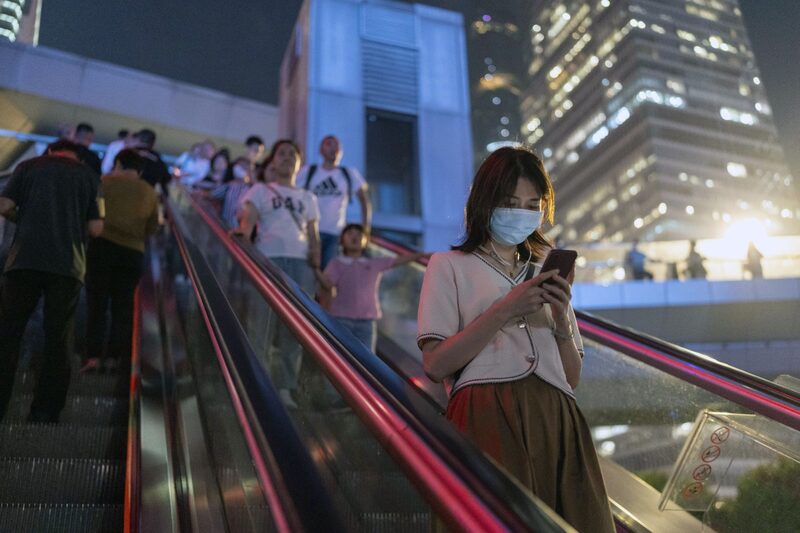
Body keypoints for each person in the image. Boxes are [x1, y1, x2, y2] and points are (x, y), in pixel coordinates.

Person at [416, 147, 614, 532]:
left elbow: (571, 376)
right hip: (486, 411)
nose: (522, 213)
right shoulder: (448, 266)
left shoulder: (546, 273)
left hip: (558, 416)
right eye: (510, 202)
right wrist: (505, 308)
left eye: (532, 204)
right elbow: (435, 363)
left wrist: (560, 319)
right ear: (485, 201)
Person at [0, 140, 104, 423]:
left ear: (50, 151)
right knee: (59, 338)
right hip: (67, 267)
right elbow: (96, 228)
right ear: (78, 158)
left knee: (8, 333)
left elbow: (4, 205)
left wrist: (23, 218)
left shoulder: (27, 167)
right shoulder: (89, 178)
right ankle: (45, 411)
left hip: (24, 260)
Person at [235, 139, 320, 407]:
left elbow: (313, 235)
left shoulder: (308, 197)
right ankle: (256, 382)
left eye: (292, 154)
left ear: (299, 162)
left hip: (300, 263)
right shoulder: (260, 190)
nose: (286, 158)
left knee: (294, 327)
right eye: (281, 153)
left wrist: (317, 263)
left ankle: (285, 386)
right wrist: (243, 234)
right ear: (272, 161)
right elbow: (247, 221)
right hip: (268, 259)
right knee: (261, 321)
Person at [81, 149, 159, 373]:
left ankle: (93, 357)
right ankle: (115, 358)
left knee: (97, 304)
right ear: (139, 170)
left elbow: (91, 212)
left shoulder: (104, 182)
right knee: (122, 307)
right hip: (133, 253)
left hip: (102, 247)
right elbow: (153, 227)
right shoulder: (149, 192)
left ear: (118, 164)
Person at [314, 223, 429, 352]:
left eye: (359, 234)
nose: (355, 237)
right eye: (350, 234)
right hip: (341, 319)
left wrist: (422, 256)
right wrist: (316, 269)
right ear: (342, 240)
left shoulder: (373, 263)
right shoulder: (337, 263)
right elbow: (328, 285)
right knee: (340, 355)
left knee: (367, 358)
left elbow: (399, 260)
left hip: (367, 321)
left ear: (366, 241)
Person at [296, 135, 372, 269]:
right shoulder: (309, 171)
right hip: (309, 231)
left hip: (335, 234)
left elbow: (364, 201)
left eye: (337, 145)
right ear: (321, 150)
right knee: (307, 272)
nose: (333, 148)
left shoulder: (349, 173)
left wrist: (365, 229)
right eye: (329, 144)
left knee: (329, 275)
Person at [210, 156, 252, 228]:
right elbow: (212, 194)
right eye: (239, 166)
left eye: (245, 167)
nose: (241, 169)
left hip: (238, 230)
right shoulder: (229, 185)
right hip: (223, 225)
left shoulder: (252, 188)